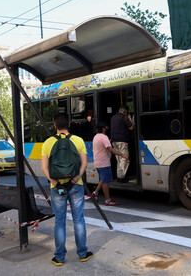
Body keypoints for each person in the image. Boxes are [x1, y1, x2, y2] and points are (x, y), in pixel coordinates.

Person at [41, 112, 93, 266]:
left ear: (55, 126)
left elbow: (45, 168)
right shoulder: (78, 140)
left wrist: (56, 183)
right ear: (69, 124)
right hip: (75, 186)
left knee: (59, 221)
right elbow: (84, 163)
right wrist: (74, 180)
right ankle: (83, 253)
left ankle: (59, 257)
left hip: (57, 187)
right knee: (78, 220)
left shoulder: (47, 143)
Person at [86, 121, 129, 205]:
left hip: (98, 162)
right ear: (103, 129)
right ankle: (107, 200)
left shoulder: (96, 137)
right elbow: (110, 149)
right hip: (104, 162)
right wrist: (123, 155)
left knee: (103, 179)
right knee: (105, 181)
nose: (107, 128)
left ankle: (95, 193)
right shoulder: (104, 137)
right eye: (106, 127)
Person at [110, 106, 133, 182]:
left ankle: (119, 175)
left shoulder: (113, 117)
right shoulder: (124, 117)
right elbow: (131, 127)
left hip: (114, 141)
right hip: (122, 140)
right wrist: (130, 118)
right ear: (125, 112)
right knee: (124, 157)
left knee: (119, 158)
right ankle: (120, 177)